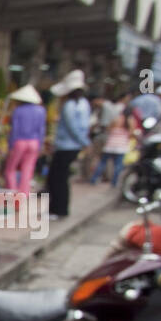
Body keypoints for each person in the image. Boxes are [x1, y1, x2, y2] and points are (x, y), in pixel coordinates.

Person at [47, 70, 91, 220]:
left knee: (57, 179)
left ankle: (57, 210)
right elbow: (82, 127)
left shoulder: (70, 106)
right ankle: (59, 209)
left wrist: (84, 142)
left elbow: (73, 127)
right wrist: (84, 142)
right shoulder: (83, 104)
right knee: (61, 178)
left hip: (66, 147)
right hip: (72, 147)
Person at [4, 84, 46, 197]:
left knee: (10, 169)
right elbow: (41, 130)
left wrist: (10, 146)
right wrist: (40, 145)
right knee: (27, 169)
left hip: (19, 142)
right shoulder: (41, 110)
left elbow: (15, 130)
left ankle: (12, 194)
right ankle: (24, 195)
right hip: (34, 142)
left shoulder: (18, 110)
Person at [90, 92, 132, 188]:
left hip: (111, 143)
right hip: (121, 145)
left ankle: (94, 179)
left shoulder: (116, 119)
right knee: (117, 164)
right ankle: (114, 182)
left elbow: (109, 128)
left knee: (103, 161)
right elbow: (131, 132)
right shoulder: (129, 121)